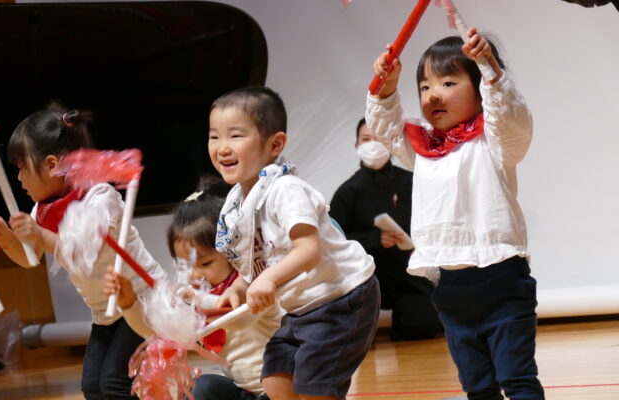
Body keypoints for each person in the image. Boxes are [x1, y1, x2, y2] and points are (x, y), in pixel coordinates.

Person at [366, 28, 544, 399]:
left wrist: (491, 68)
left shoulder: (493, 139)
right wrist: (386, 84)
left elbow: (510, 116)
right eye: (425, 87)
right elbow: (385, 128)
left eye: (448, 82)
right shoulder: (422, 146)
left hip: (502, 281)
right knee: (477, 386)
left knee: (518, 379)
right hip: (450, 289)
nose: (433, 95)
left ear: (480, 88)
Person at [0, 103, 163, 400]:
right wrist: (7, 236)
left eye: (22, 168)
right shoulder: (43, 209)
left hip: (142, 301)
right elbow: (28, 258)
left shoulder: (100, 196)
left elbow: (83, 251)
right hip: (106, 313)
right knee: (92, 386)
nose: (19, 179)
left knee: (114, 385)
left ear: (52, 165)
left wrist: (39, 234)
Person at [209, 86, 380, 400]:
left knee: (314, 387)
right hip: (302, 308)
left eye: (235, 136)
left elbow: (308, 251)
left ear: (275, 144)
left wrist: (269, 279)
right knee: (275, 380)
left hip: (341, 297)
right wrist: (238, 288)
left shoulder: (285, 189)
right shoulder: (235, 204)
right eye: (214, 136)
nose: (221, 148)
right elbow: (255, 263)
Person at [104, 176, 280, 400]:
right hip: (244, 392)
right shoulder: (198, 295)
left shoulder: (254, 279)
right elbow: (157, 334)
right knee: (201, 387)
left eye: (206, 263)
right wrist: (128, 303)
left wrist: (193, 299)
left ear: (233, 251)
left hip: (280, 391)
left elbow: (238, 319)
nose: (195, 275)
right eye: (186, 266)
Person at [329, 118, 441, 341]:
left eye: (379, 139)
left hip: (407, 271)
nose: (373, 144)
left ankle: (403, 320)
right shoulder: (347, 191)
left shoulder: (412, 181)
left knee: (424, 324)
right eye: (366, 139)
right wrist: (374, 239)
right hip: (365, 277)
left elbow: (433, 222)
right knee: (352, 335)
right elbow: (334, 242)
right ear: (357, 145)